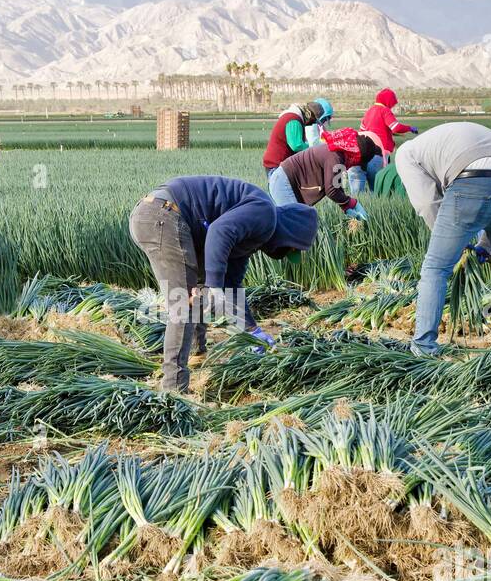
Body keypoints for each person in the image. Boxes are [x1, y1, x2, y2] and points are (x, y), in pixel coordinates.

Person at [128, 176, 318, 393]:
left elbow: (232, 284)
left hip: (159, 215)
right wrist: (213, 286)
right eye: (289, 248)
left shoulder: (254, 232)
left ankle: (197, 353)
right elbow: (220, 231)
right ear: (290, 234)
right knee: (183, 305)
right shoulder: (265, 214)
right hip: (164, 216)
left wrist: (251, 329)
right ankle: (174, 390)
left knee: (196, 291)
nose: (282, 253)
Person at [395, 122, 491, 355]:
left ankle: (423, 346)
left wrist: (453, 244)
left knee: (435, 268)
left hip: (472, 176)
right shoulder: (440, 140)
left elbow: (427, 203)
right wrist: (483, 246)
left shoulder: (406, 154)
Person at [269, 128, 369, 221]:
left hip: (285, 180)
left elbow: (336, 185)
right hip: (284, 182)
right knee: (295, 224)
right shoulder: (336, 157)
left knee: (300, 223)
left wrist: (346, 206)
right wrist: (351, 203)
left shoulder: (338, 156)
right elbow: (332, 190)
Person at [263, 101, 327, 175]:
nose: (313, 123)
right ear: (309, 114)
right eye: (314, 120)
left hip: (280, 164)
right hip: (277, 165)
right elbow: (296, 145)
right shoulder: (293, 119)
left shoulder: (294, 117)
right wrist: (313, 149)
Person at [359, 88, 417, 163]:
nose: (392, 107)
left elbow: (362, 131)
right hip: (382, 150)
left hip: (369, 149)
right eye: (392, 104)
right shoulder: (384, 110)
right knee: (382, 172)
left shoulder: (369, 111)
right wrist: (409, 128)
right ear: (388, 101)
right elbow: (396, 128)